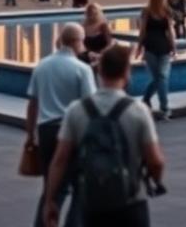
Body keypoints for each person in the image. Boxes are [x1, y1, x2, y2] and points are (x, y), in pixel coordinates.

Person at [44, 43, 164, 227]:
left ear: (99, 71)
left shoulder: (76, 110)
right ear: (127, 73)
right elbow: (156, 161)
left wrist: (50, 200)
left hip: (92, 201)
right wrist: (154, 180)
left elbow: (60, 160)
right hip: (131, 202)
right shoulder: (138, 110)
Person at [26, 23, 96, 227]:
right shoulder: (82, 69)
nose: (84, 45)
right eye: (82, 41)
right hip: (73, 133)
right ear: (76, 41)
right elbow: (89, 106)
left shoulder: (42, 65)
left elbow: (33, 104)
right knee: (80, 190)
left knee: (51, 189)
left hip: (46, 131)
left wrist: (30, 135)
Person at [135, 0, 175, 120]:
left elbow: (170, 31)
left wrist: (174, 47)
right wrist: (139, 47)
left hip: (164, 48)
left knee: (161, 76)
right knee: (158, 78)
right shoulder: (146, 11)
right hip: (150, 48)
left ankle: (164, 107)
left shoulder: (167, 11)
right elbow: (143, 31)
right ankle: (148, 100)